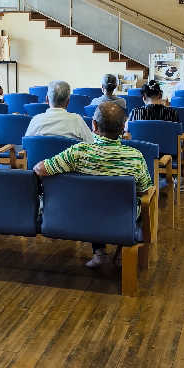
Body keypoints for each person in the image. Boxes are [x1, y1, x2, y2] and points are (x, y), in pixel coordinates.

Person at [32, 101, 152, 269]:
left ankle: (100, 252)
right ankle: (122, 250)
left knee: (96, 200)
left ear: (94, 125)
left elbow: (40, 169)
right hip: (122, 216)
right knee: (121, 202)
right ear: (123, 128)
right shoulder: (136, 157)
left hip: (85, 213)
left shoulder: (78, 152)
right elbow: (144, 190)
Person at [25, 80, 93, 142]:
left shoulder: (35, 120)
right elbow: (91, 144)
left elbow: (26, 146)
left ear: (47, 99)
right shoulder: (77, 120)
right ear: (68, 101)